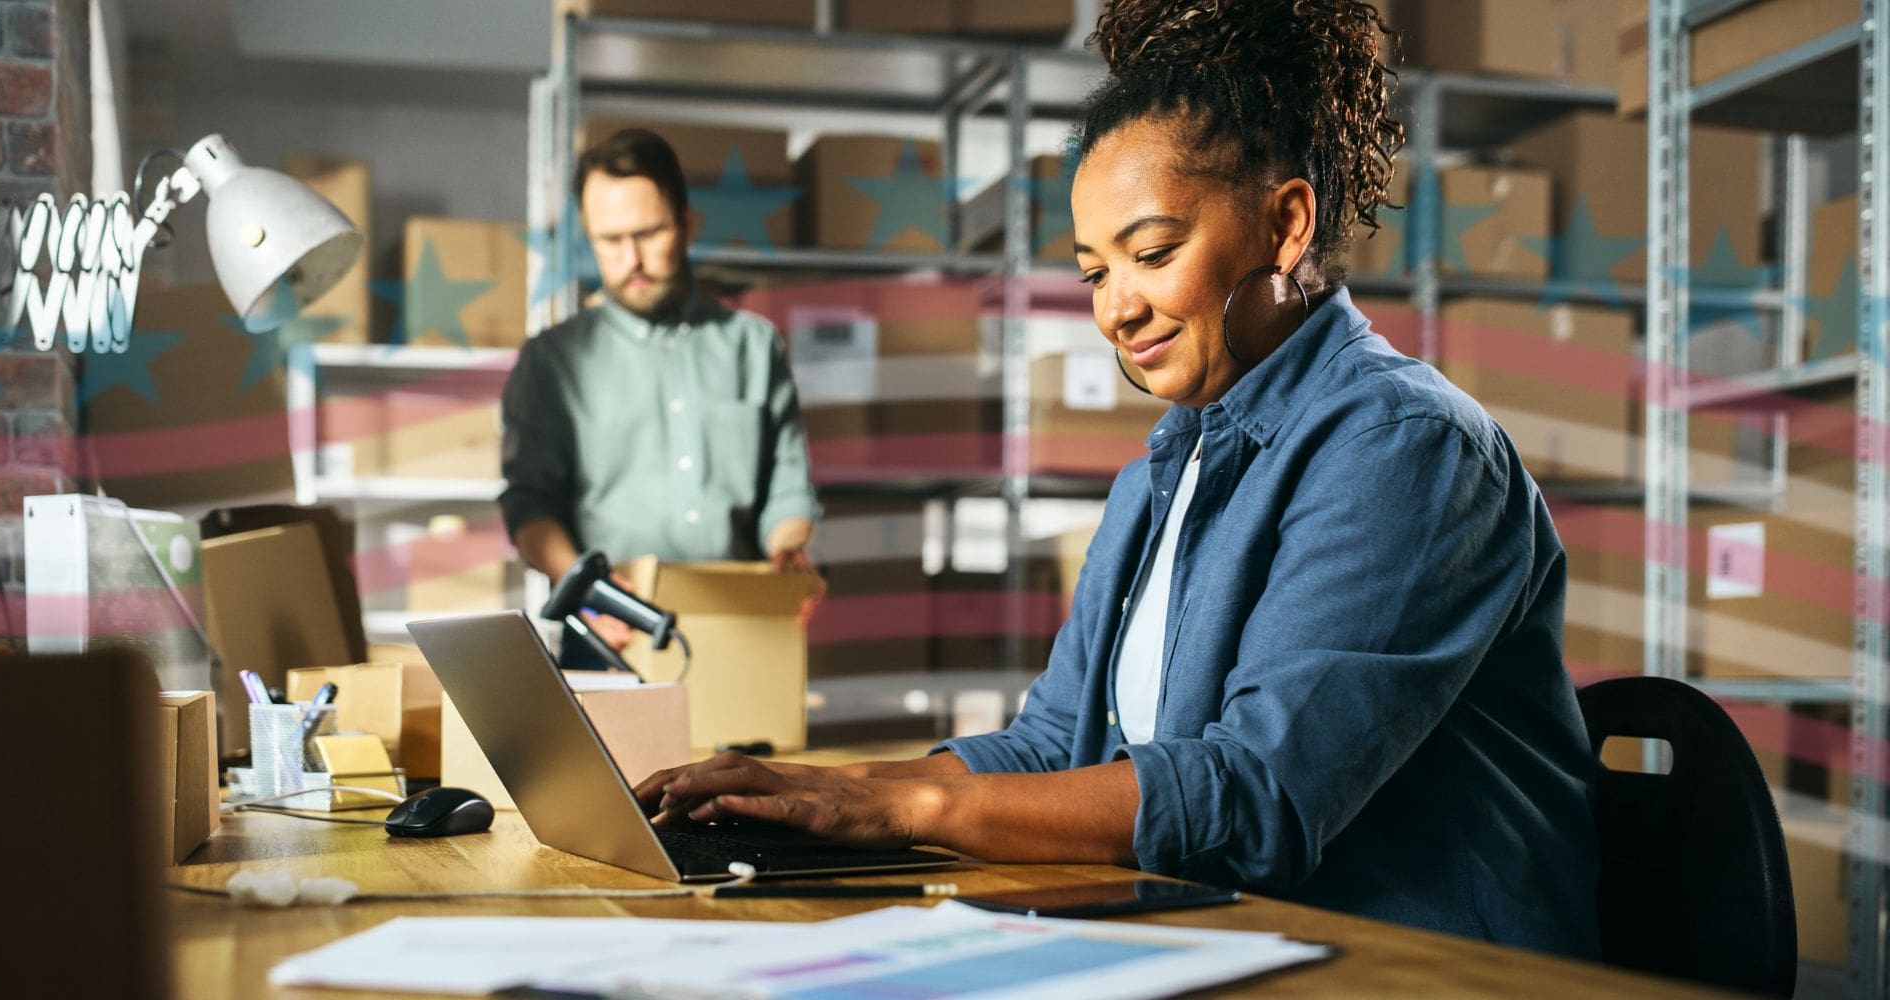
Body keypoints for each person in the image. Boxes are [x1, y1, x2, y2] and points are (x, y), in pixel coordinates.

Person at [634, 0, 1601, 959]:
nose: (1117, 309)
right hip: (1234, 940)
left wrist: (899, 805)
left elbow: (1255, 798)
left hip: (1425, 972)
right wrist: (810, 790)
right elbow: (1054, 745)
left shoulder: (1407, 449)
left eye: (1152, 253)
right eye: (1095, 272)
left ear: (1287, 223)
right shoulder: (1169, 462)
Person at [501, 128, 821, 652]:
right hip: (611, 636)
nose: (632, 260)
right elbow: (530, 507)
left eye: (649, 233)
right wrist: (584, 587)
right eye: (609, 240)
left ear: (686, 225)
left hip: (741, 632)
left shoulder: (754, 347)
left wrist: (789, 552)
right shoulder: (550, 362)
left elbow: (788, 492)